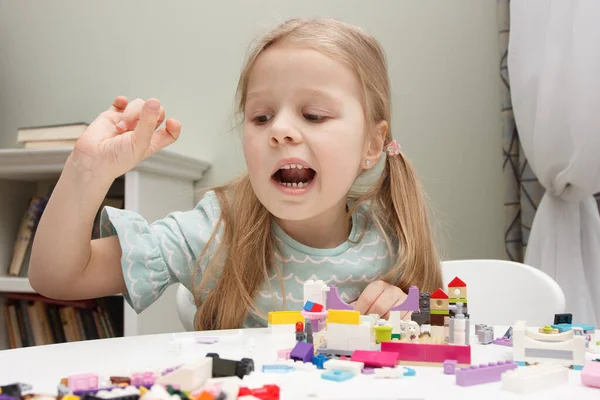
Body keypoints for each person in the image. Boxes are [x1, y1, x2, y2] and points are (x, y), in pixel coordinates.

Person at [29, 18, 444, 331]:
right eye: (261, 117)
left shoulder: (391, 242)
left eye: (313, 114)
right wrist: (87, 169)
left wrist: (410, 311)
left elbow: (440, 329)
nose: (279, 130)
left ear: (372, 145)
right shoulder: (211, 233)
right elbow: (58, 277)